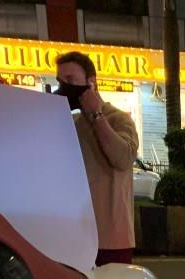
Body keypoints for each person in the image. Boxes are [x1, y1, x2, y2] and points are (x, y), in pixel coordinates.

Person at [55, 51, 138, 266]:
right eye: (60, 81)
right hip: (76, 235)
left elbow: (122, 158)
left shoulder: (119, 120)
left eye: (70, 80)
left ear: (91, 82)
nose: (65, 87)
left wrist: (97, 116)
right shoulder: (71, 124)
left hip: (111, 239)